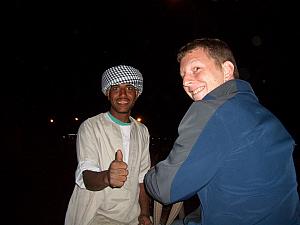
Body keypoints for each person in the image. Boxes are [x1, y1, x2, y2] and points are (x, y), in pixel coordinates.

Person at [144, 38, 300, 225]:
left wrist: (149, 173)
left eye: (196, 69)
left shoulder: (211, 110)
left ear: (227, 70)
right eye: (182, 75)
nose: (186, 81)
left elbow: (165, 188)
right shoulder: (266, 117)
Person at [65, 65, 153, 225]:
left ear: (137, 94)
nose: (123, 94)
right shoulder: (91, 126)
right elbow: (86, 175)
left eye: (129, 88)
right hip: (95, 216)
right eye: (115, 88)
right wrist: (107, 177)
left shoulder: (142, 131)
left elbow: (142, 178)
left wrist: (145, 214)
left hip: (132, 217)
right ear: (107, 93)